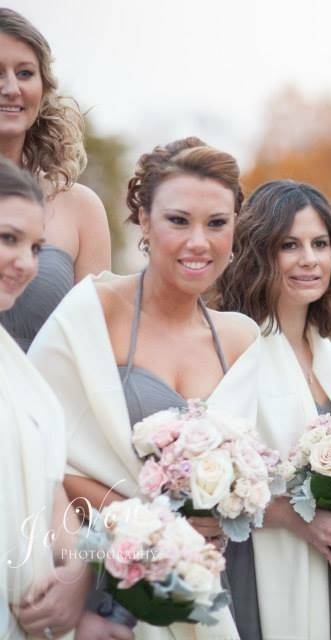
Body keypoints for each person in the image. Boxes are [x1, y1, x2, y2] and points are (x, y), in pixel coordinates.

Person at [29, 137, 258, 640]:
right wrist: (155, 527)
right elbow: (40, 453)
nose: (199, 241)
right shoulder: (91, 313)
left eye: (216, 223)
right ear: (144, 223)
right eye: (179, 221)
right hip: (88, 576)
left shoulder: (242, 339)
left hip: (205, 588)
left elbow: (260, 474)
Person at [215, 180, 331, 640]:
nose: (310, 259)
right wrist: (296, 518)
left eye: (320, 244)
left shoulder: (329, 355)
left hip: (322, 566)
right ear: (260, 254)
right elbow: (211, 475)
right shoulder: (238, 344)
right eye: (290, 245)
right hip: (252, 564)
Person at [0, 158, 130, 640]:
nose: (26, 264)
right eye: (8, 239)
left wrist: (75, 570)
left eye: (36, 247)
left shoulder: (17, 370)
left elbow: (48, 482)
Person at [0, 8, 110, 351]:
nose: (11, 88)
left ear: (43, 86)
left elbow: (96, 344)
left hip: (48, 401)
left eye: (25, 73)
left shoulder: (80, 208)